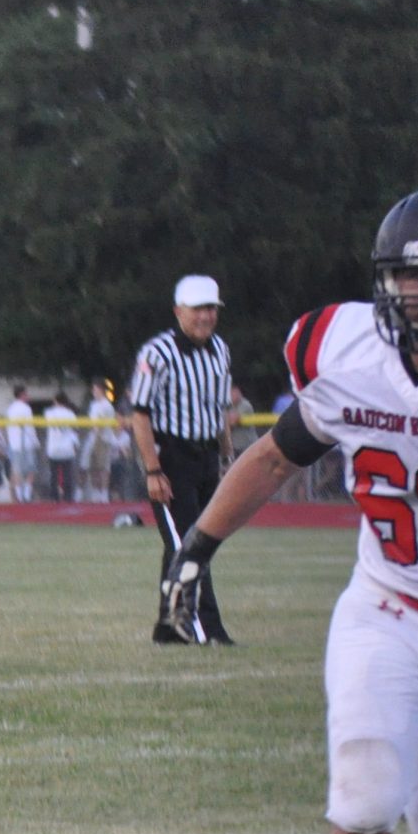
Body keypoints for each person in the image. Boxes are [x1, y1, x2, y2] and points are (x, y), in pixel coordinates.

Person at [159, 191, 418, 834]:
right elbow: (275, 457)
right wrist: (195, 546)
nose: (416, 299)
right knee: (364, 786)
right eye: (406, 281)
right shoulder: (345, 352)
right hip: (386, 603)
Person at [133, 274, 237, 643]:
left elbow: (221, 408)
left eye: (211, 308)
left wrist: (226, 459)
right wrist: (153, 470)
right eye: (198, 309)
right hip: (172, 457)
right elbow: (140, 414)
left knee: (191, 543)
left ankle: (169, 629)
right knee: (188, 545)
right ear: (179, 312)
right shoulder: (157, 353)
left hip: (207, 455)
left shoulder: (220, 349)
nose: (206, 316)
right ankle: (207, 629)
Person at [83, 379, 123, 503]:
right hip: (93, 438)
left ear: (101, 390)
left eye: (95, 389)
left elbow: (104, 424)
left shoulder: (107, 405)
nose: (93, 392)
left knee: (103, 467)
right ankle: (96, 492)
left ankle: (104, 493)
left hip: (103, 439)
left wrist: (99, 436)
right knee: (92, 466)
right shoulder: (93, 405)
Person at [42, 388, 80, 501]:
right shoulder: (70, 414)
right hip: (67, 448)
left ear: (55, 401)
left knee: (54, 475)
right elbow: (75, 430)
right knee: (67, 475)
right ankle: (68, 497)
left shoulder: (49, 413)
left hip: (53, 448)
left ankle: (55, 498)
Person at [3, 386, 38, 503]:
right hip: (26, 443)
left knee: (17, 470)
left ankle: (19, 496)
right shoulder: (26, 408)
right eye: (26, 394)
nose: (28, 396)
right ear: (22, 394)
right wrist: (35, 441)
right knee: (30, 469)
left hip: (14, 444)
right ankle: (26, 495)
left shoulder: (10, 409)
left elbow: (8, 428)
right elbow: (30, 427)